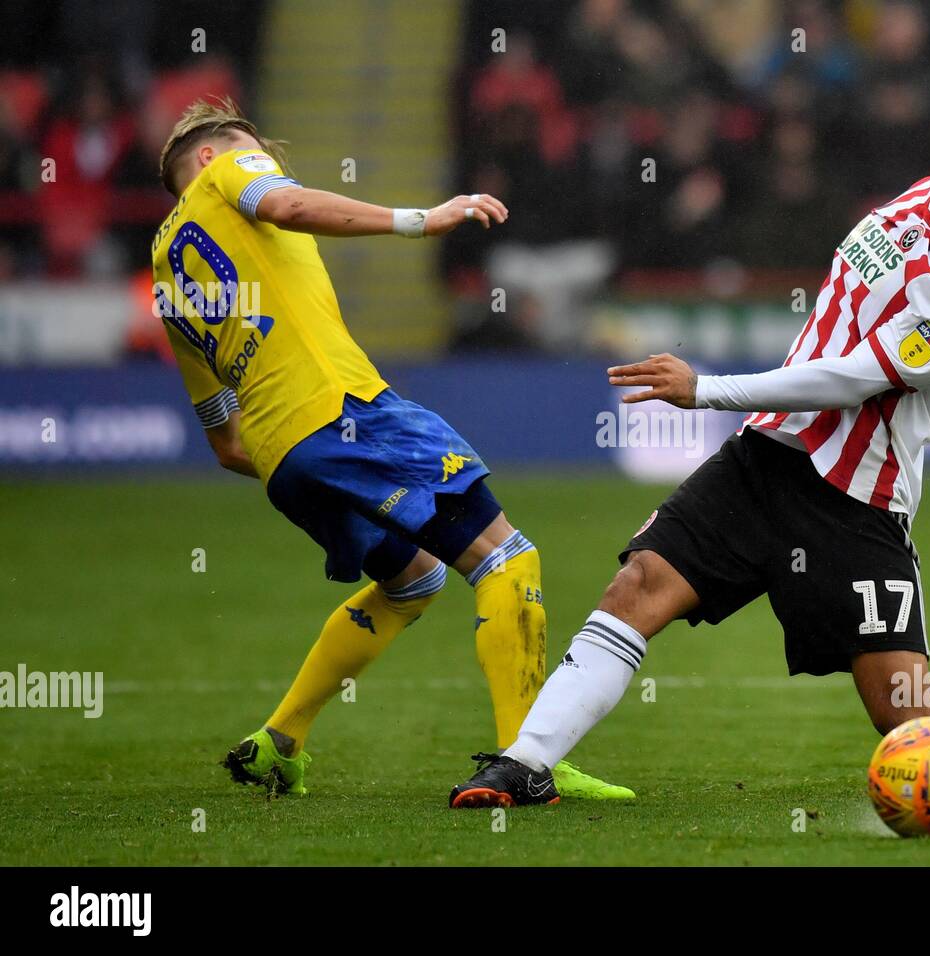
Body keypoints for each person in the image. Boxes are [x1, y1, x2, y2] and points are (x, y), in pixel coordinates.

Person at [450, 74, 930, 808]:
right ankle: (524, 764)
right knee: (638, 585)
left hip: (854, 498)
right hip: (763, 458)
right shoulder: (911, 199)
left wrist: (708, 390)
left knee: (904, 715)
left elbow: (854, 379)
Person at [151, 97, 630, 801]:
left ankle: (279, 741)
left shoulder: (167, 270)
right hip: (343, 409)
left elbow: (222, 441)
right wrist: (421, 220)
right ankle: (527, 763)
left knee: (414, 579)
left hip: (282, 455)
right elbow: (287, 206)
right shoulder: (226, 171)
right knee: (506, 555)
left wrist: (302, 457)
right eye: (261, 154)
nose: (272, 168)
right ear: (209, 153)